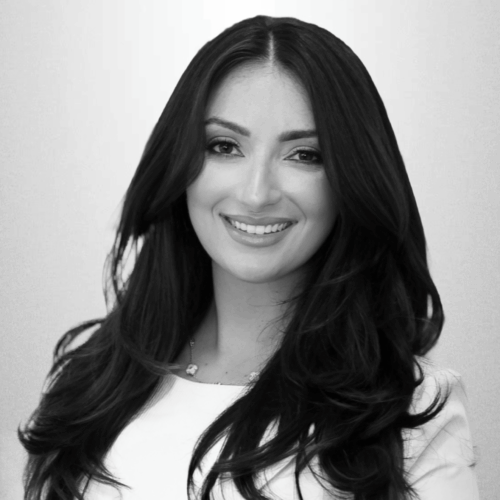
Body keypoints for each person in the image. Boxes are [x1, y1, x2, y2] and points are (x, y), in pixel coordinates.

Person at [19, 15, 479, 500]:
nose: (256, 193)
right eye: (225, 146)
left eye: (305, 154)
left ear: (351, 179)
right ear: (179, 165)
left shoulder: (410, 410)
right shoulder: (91, 382)